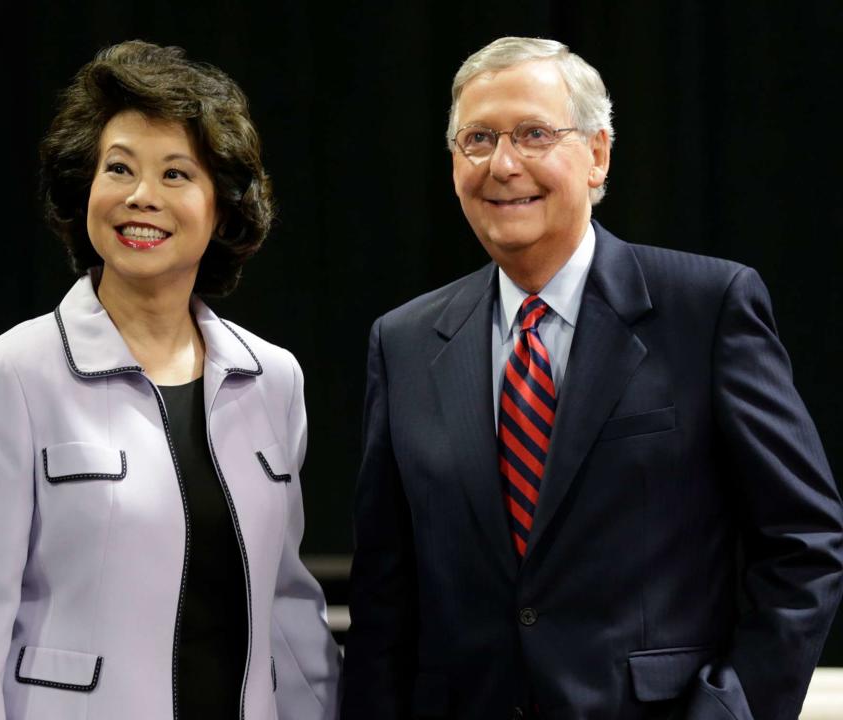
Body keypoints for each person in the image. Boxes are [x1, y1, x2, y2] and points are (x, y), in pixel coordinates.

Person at [341, 36, 843, 720]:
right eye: (478, 138)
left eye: (533, 134)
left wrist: (731, 710)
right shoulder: (402, 341)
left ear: (598, 153)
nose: (503, 163)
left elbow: (803, 546)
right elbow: (383, 594)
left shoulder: (706, 307)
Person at [0, 40, 340, 719]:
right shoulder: (8, 378)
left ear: (222, 208)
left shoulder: (273, 379)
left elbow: (288, 613)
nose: (142, 197)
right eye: (119, 168)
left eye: (177, 174)